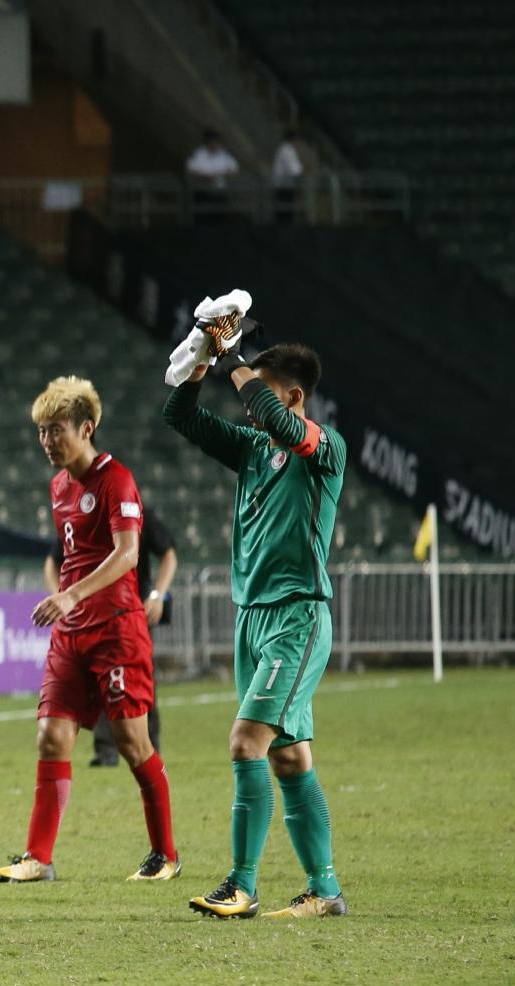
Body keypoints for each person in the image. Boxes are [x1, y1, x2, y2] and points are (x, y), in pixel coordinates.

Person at [165, 322, 347, 920]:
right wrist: (200, 363)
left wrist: (234, 357)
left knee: (246, 741)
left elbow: (281, 422)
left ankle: (241, 885)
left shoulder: (326, 448)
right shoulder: (252, 449)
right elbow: (179, 415)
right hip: (252, 620)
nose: (249, 406)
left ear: (293, 397)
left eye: (264, 394)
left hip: (296, 618)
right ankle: (324, 892)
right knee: (288, 759)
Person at [0, 377, 180, 887]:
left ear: (86, 428)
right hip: (72, 635)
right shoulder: (59, 487)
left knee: (133, 742)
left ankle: (165, 854)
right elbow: (70, 556)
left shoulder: (117, 480)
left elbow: (128, 554)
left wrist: (72, 594)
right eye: (42, 431)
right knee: (51, 736)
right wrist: (66, 600)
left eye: (57, 430)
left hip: (117, 630)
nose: (47, 441)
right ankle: (38, 858)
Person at [47, 505, 177, 765]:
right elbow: (52, 562)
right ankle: (106, 752)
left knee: (141, 681)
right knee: (99, 681)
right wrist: (61, 597)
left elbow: (168, 554)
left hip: (132, 613)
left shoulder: (139, 513)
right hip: (91, 614)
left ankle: (150, 747)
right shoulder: (80, 513)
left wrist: (158, 594)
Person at [271, 129, 306, 224]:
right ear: (293, 139)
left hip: (282, 186)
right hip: (284, 187)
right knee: (285, 214)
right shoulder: (287, 150)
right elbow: (295, 170)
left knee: (283, 213)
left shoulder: (283, 149)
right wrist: (303, 171)